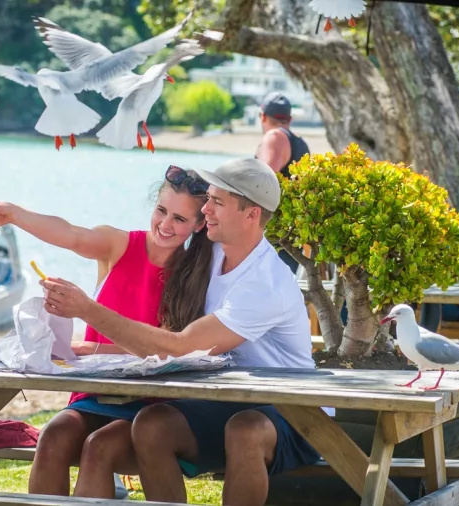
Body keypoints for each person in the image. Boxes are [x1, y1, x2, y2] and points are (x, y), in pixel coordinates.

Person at [40, 158, 319, 506]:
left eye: (217, 202)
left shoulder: (265, 284)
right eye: (208, 199)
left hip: (292, 411)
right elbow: (96, 241)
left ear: (251, 215)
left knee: (245, 430)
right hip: (230, 400)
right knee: (152, 423)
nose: (206, 209)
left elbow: (181, 347)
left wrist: (87, 309)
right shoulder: (213, 253)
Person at [0, 165, 213, 499]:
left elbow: (171, 351)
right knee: (53, 435)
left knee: (99, 447)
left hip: (152, 404)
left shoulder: (199, 274)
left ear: (199, 224)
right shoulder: (118, 245)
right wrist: (15, 214)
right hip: (94, 394)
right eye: (161, 211)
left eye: (180, 219)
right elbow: (71, 234)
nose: (165, 224)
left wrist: (92, 349)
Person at [254, 91, 310, 275]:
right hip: (292, 238)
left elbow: (261, 183)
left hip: (274, 240)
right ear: (290, 119)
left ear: (262, 116)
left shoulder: (274, 138)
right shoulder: (300, 144)